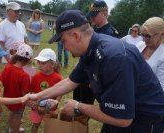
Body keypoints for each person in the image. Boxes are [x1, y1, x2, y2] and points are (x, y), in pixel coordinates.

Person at [25, 10, 164, 133]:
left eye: (63, 41)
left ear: (76, 36)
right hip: (119, 117)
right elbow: (70, 81)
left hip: (143, 122)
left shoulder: (114, 58)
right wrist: (39, 96)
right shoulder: (90, 49)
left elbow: (123, 119)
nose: (64, 47)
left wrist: (78, 106)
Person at [73, 0, 119, 106]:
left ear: (105, 14)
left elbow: (108, 62)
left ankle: (80, 123)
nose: (91, 17)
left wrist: (96, 79)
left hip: (93, 77)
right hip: (83, 71)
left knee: (84, 106)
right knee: (76, 101)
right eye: (91, 15)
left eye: (94, 15)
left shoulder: (110, 34)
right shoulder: (92, 30)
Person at [1, 43, 33, 133]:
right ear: (28, 60)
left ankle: (11, 128)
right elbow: (25, 93)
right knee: (17, 117)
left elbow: (2, 80)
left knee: (12, 113)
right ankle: (15, 130)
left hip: (7, 98)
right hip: (18, 102)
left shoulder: (7, 67)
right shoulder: (24, 75)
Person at [29, 48, 62, 133]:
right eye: (38, 62)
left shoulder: (58, 78)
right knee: (35, 124)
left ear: (52, 64)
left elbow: (60, 92)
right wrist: (35, 103)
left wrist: (56, 102)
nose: (39, 65)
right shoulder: (36, 76)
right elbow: (32, 91)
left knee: (49, 126)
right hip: (37, 107)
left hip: (50, 108)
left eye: (43, 63)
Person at [136, 17, 164, 91]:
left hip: (148, 97)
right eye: (142, 35)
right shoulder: (140, 45)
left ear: (162, 34)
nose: (143, 39)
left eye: (148, 36)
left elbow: (161, 87)